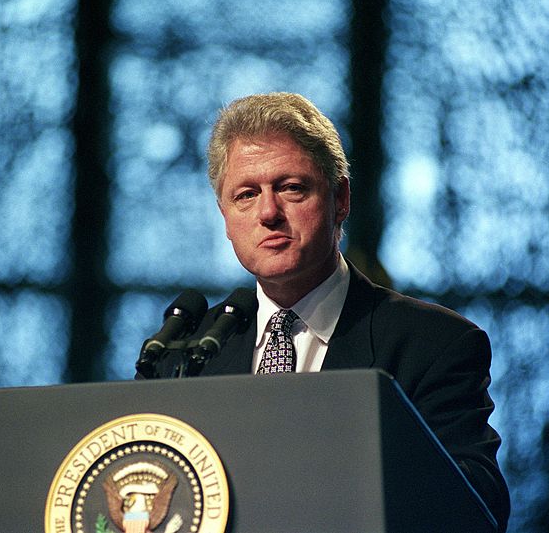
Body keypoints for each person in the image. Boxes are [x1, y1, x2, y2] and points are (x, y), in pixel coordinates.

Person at [153, 92, 510, 530]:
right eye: (246, 194)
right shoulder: (186, 354)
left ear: (340, 198)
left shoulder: (432, 344)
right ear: (225, 216)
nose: (268, 213)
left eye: (291, 188)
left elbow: (478, 505)